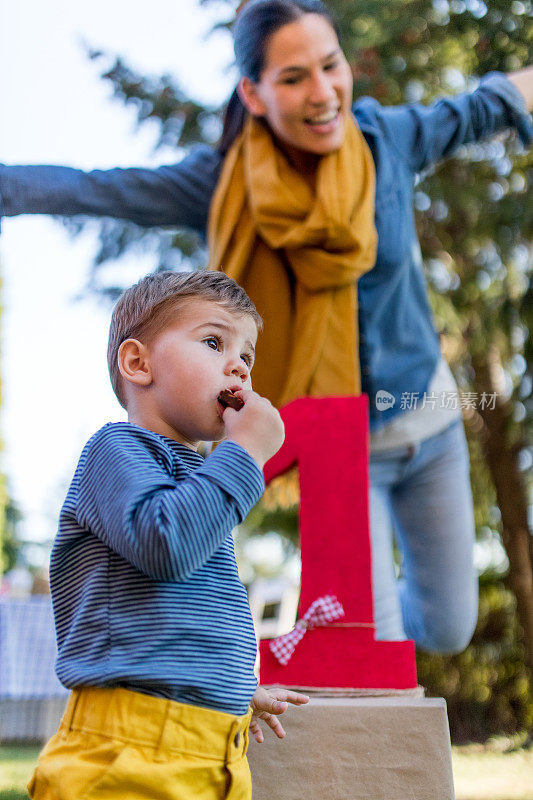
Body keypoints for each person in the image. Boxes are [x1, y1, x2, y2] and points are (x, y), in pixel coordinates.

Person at [1, 0, 532, 653]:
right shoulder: (222, 183)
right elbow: (96, 188)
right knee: (373, 641)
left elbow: (489, 102)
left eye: (330, 66)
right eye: (292, 78)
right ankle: (335, 648)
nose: (322, 93)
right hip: (334, 446)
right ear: (252, 92)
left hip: (425, 416)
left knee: (448, 630)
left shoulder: (383, 142)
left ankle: (318, 630)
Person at [27, 269, 308, 800]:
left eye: (246, 355)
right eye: (213, 341)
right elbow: (167, 545)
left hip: (213, 757)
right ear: (138, 363)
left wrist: (234, 689)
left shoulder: (200, 480)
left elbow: (178, 617)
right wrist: (245, 453)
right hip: (128, 751)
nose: (238, 367)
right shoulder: (116, 450)